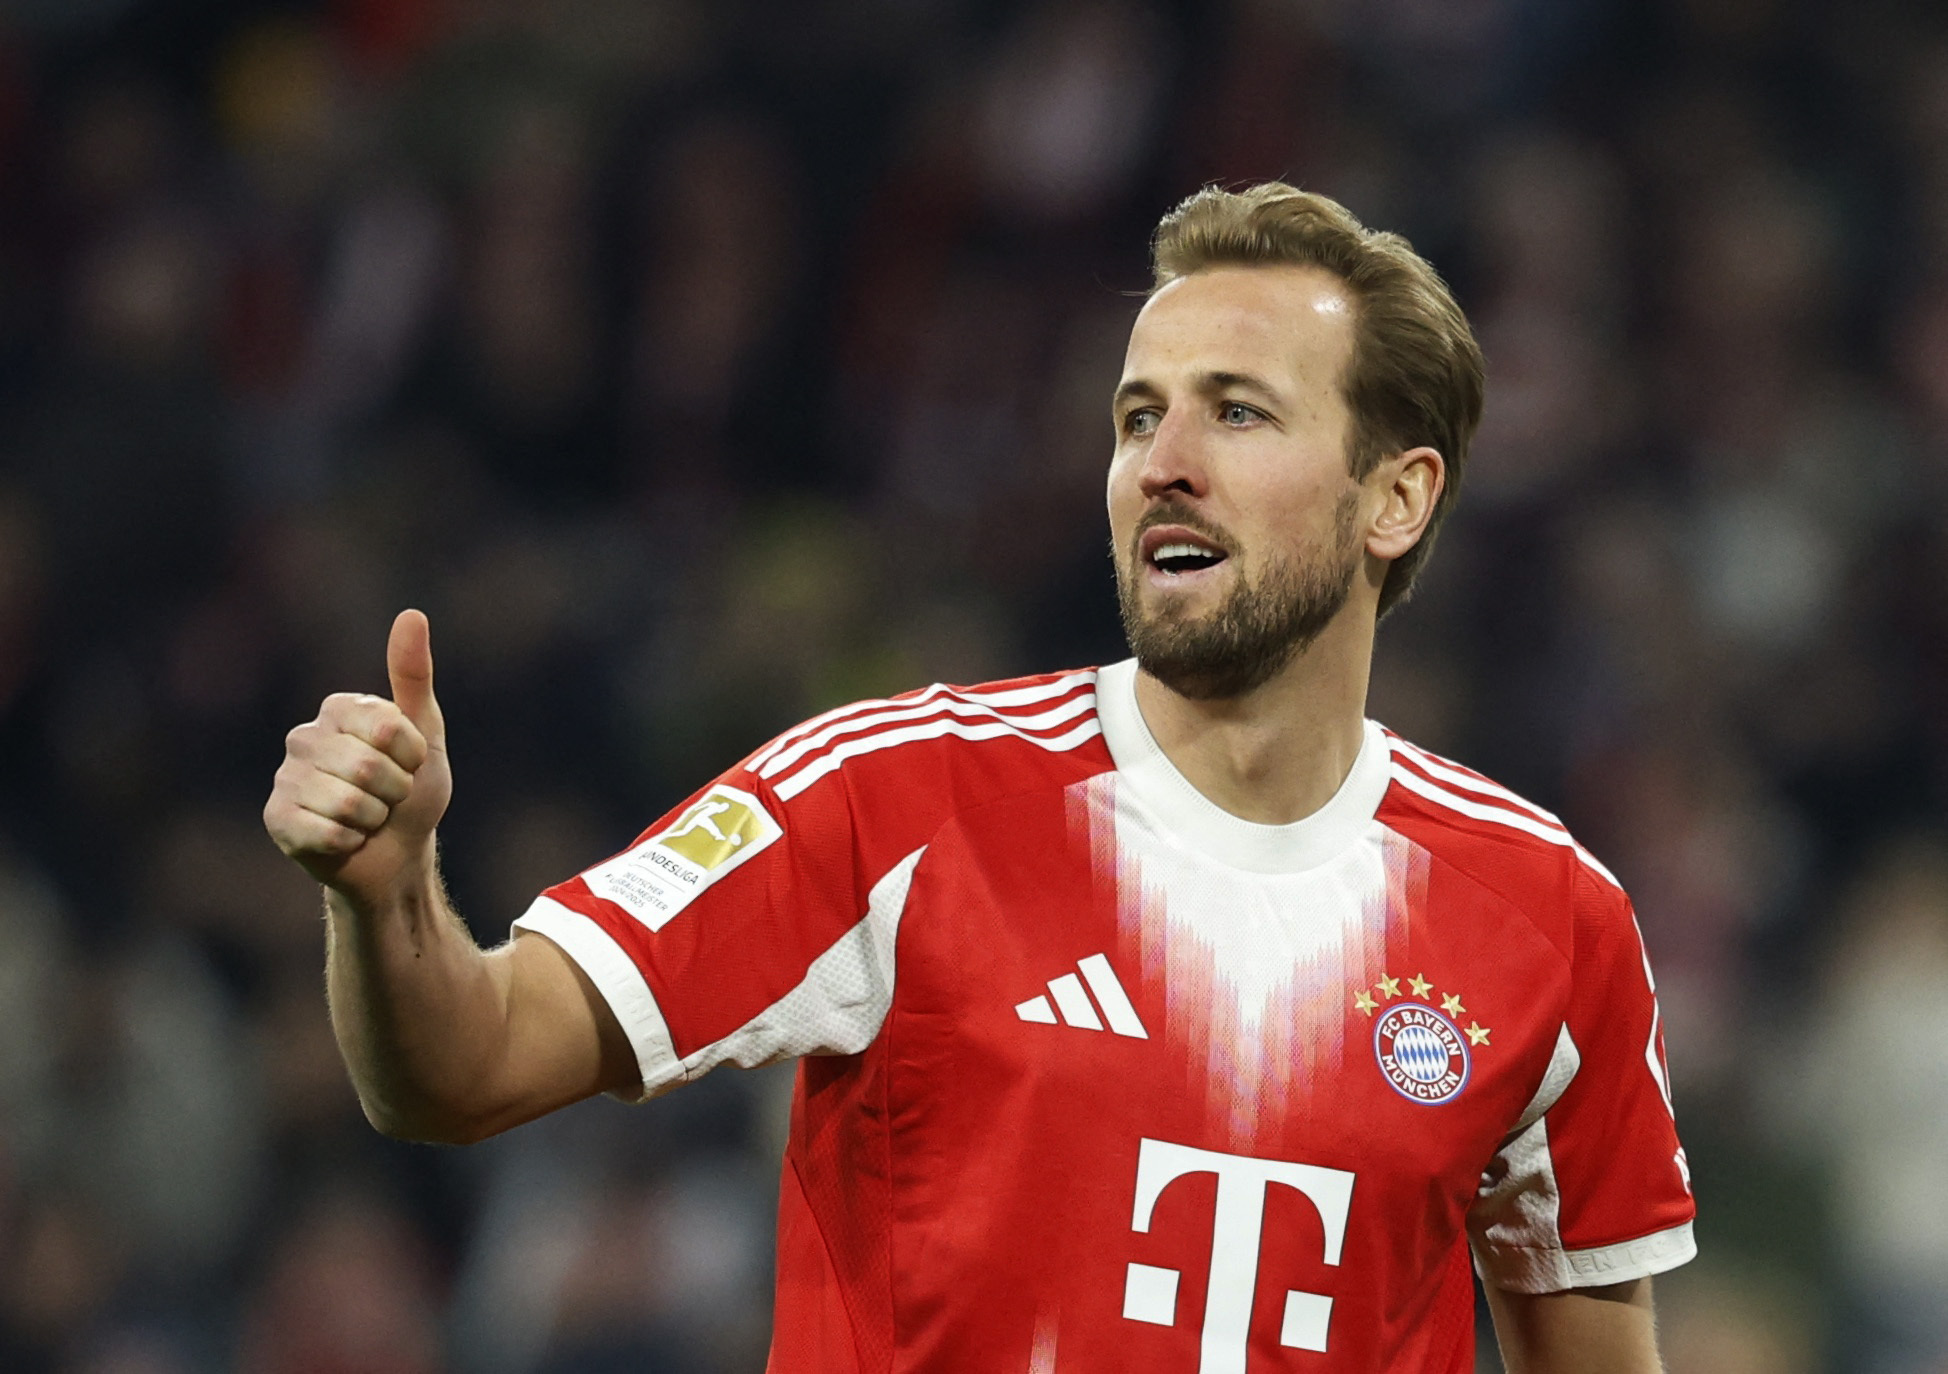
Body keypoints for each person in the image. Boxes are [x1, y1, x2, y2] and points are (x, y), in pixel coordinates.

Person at [264, 183, 1695, 1373]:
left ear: (1397, 495)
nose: (1163, 465)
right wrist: (386, 900)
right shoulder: (890, 798)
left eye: (1238, 413)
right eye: (1139, 417)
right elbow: (465, 1065)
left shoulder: (1549, 919)